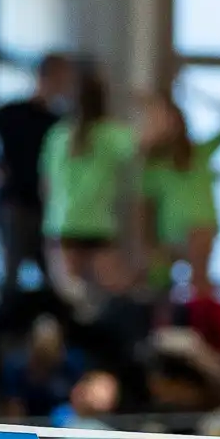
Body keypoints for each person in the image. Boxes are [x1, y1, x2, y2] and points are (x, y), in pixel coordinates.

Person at [0, 54, 71, 307]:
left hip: (46, 209)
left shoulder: (58, 122)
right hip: (16, 206)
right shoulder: (14, 113)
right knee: (10, 277)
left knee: (53, 279)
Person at [39, 64, 140, 300]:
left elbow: (46, 184)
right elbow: (146, 144)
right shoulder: (112, 134)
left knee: (69, 298)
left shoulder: (58, 135)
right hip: (97, 222)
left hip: (63, 222)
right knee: (117, 293)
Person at [139, 92, 220, 296]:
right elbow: (146, 208)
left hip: (200, 225)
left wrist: (195, 93)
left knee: (200, 282)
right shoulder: (154, 164)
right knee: (157, 284)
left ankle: (206, 320)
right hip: (168, 233)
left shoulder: (200, 152)